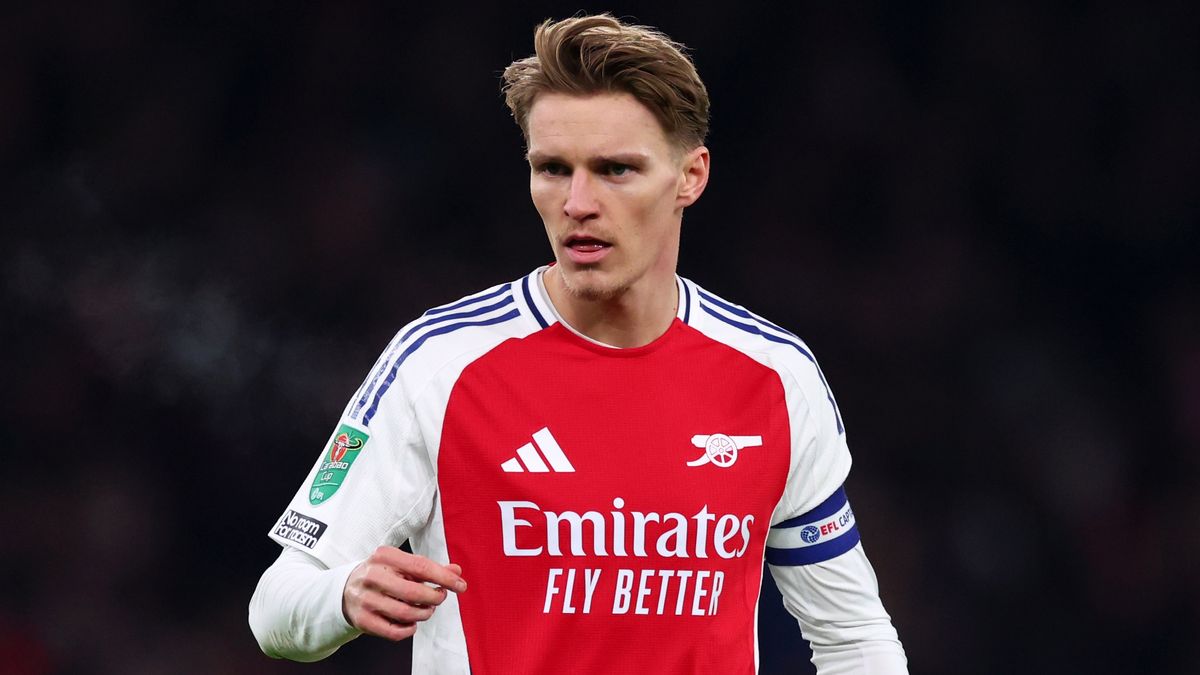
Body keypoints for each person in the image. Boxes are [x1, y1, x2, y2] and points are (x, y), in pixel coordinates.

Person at [249, 13, 908, 675]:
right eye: (553, 169)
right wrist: (340, 592)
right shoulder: (439, 364)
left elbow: (855, 639)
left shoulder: (774, 376)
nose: (578, 202)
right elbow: (275, 605)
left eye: (615, 169)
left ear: (691, 175)